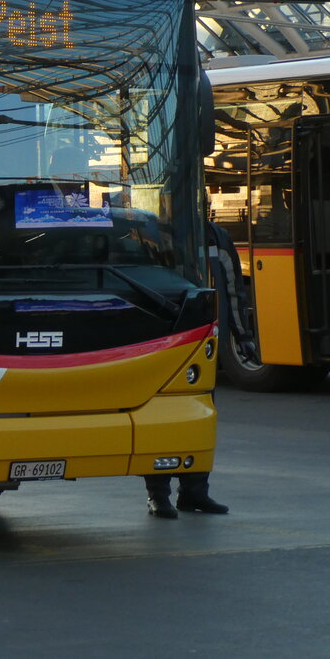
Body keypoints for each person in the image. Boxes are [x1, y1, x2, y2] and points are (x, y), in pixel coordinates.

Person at [142, 220, 244, 519]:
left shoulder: (216, 236)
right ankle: (158, 496)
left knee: (199, 419)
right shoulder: (148, 232)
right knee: (159, 420)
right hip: (164, 340)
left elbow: (233, 287)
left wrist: (243, 335)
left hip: (202, 340)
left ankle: (195, 493)